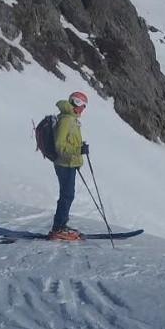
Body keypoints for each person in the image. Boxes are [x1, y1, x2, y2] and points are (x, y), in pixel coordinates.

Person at [49, 90, 91, 240]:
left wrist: (78, 150)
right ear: (77, 103)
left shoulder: (70, 119)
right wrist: (78, 150)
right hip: (64, 163)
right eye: (83, 105)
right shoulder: (66, 119)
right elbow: (59, 146)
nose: (83, 109)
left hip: (69, 163)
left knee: (67, 195)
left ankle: (60, 226)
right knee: (67, 195)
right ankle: (58, 228)